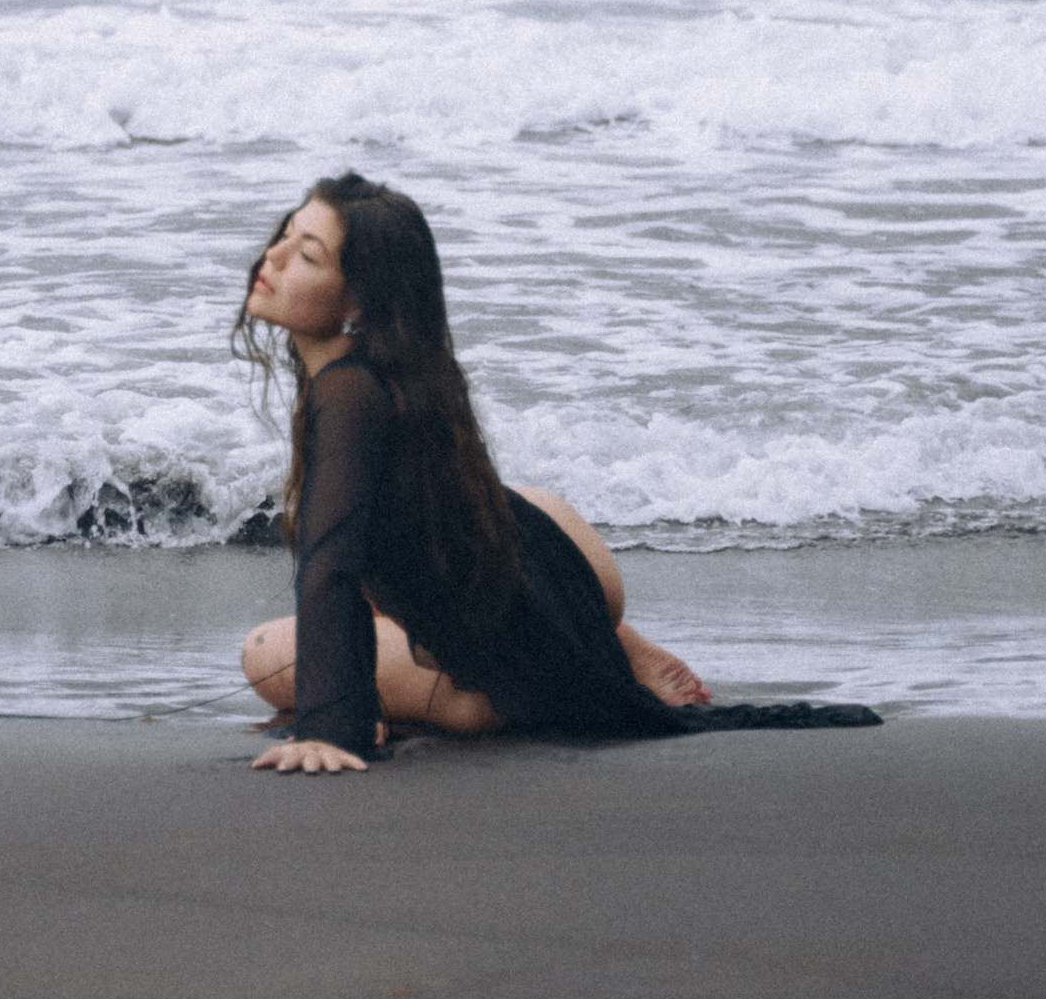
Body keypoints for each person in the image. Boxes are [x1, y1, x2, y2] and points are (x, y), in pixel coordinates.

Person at [235, 171, 879, 773]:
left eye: (309, 255)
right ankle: (614, 644)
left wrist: (330, 725)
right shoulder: (391, 374)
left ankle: (474, 706)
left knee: (264, 655)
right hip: (566, 571)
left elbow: (331, 562)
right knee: (456, 525)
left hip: (519, 671)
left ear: (359, 302)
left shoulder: (347, 393)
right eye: (287, 233)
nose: (276, 257)